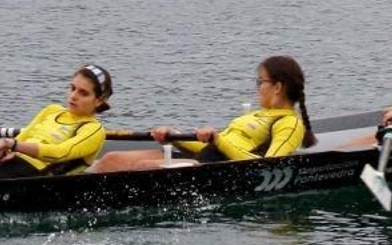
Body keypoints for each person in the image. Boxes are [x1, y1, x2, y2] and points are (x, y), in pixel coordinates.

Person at [90, 56, 313, 173]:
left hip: (221, 171)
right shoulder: (255, 116)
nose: (257, 87)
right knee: (112, 159)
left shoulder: (290, 124)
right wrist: (174, 136)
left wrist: (219, 139)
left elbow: (270, 166)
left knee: (142, 168)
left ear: (277, 87)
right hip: (204, 159)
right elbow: (212, 148)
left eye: (260, 81)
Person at [0, 65, 113, 179]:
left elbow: (60, 153)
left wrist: (10, 144)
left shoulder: (93, 130)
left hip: (36, 175)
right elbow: (22, 138)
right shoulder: (52, 110)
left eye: (83, 93)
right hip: (12, 164)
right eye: (72, 88)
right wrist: (4, 149)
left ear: (99, 100)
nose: (73, 96)